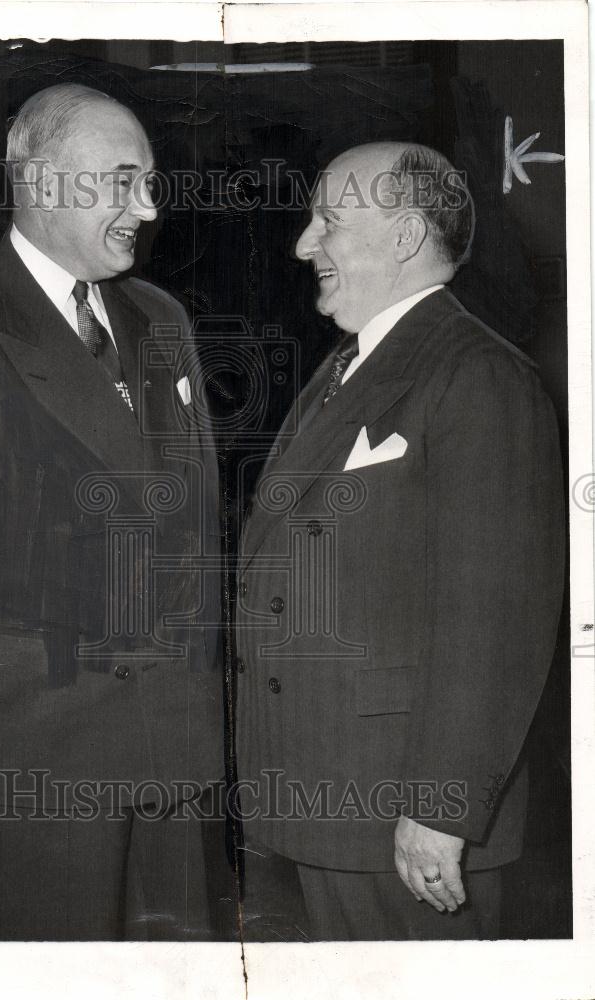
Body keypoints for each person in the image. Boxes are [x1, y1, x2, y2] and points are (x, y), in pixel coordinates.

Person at [0, 84, 223, 940]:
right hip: (45, 754)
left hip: (177, 744)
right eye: (121, 180)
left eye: (149, 182)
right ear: (40, 183)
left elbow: (197, 506)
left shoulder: (160, 316)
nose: (146, 208)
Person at [234, 142, 565, 940]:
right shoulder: (353, 363)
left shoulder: (479, 375)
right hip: (332, 795)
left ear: (406, 235)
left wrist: (439, 808)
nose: (303, 244)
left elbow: (494, 622)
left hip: (402, 817)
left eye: (329, 222)